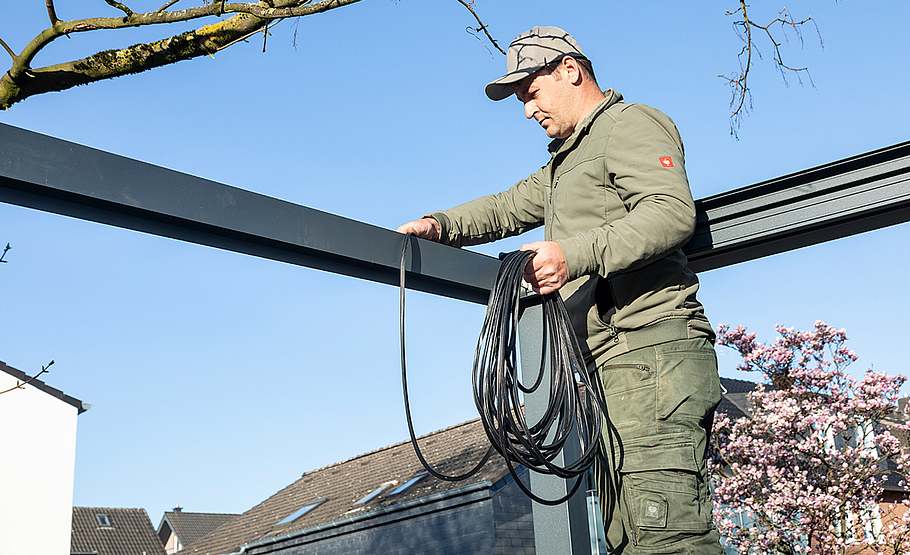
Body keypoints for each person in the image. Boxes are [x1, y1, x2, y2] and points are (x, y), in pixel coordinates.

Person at [398, 26, 723, 553]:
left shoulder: (629, 125)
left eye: (531, 93)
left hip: (651, 352)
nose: (527, 110)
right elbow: (505, 206)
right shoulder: (565, 162)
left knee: (667, 534)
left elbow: (670, 212)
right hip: (608, 365)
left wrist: (574, 254)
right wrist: (438, 225)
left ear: (569, 70)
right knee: (628, 536)